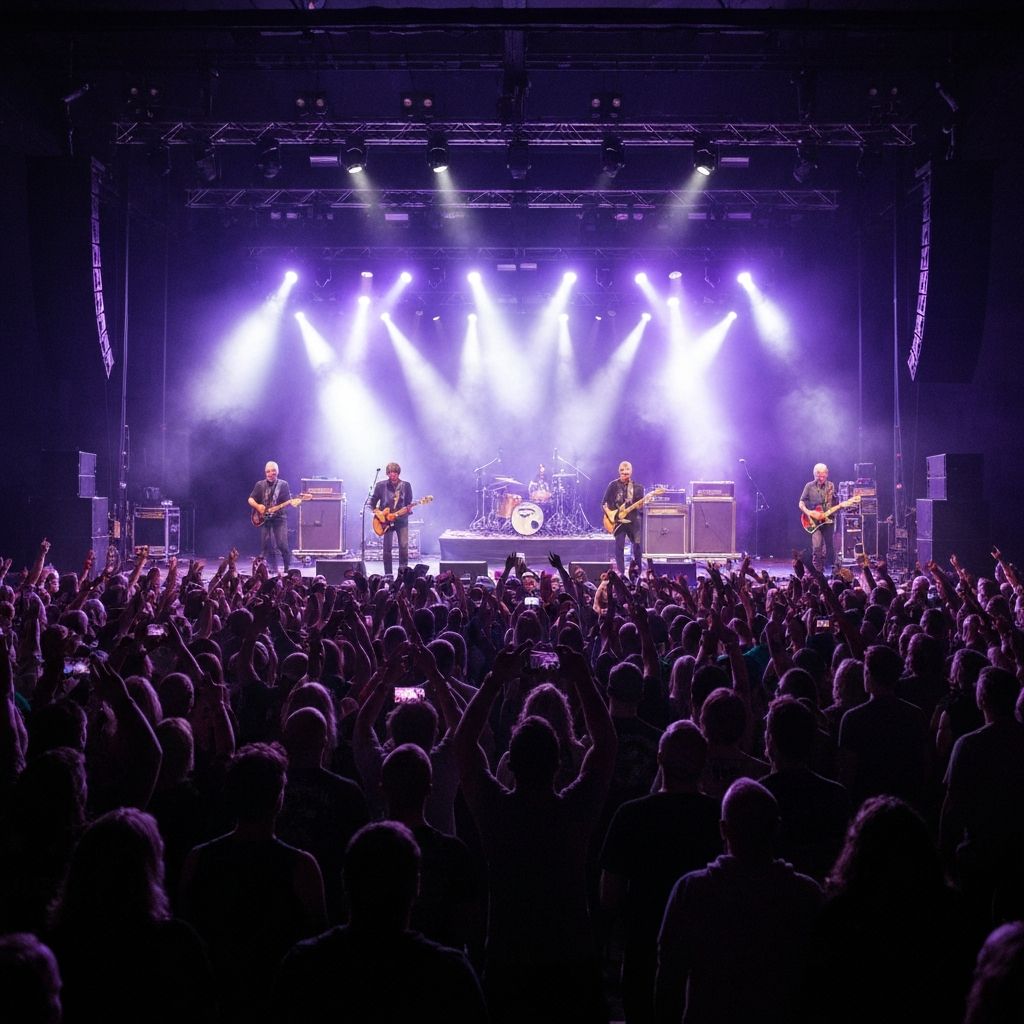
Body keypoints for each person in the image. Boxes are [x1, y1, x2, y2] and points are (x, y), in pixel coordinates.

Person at [369, 462, 413, 577]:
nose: (392, 475)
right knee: (387, 549)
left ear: (398, 473)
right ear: (387, 473)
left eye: (395, 472)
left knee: (403, 547)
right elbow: (372, 502)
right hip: (385, 522)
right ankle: (388, 575)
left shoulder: (406, 485)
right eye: (390, 473)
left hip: (401, 520)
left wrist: (407, 509)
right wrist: (378, 513)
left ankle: (403, 574)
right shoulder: (380, 485)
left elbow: (408, 502)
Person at [248, 461, 292, 573]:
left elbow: (288, 501)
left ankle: (287, 569)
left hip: (279, 518)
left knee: (282, 544)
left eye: (273, 471)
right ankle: (270, 569)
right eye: (268, 471)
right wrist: (258, 506)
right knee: (265, 546)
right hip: (265, 519)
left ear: (278, 472)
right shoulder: (260, 485)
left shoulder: (283, 485)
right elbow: (250, 499)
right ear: (265, 472)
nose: (270, 473)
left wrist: (281, 506)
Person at [798, 462, 840, 575]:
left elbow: (832, 502)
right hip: (815, 522)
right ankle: (818, 573)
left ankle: (836, 571)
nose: (821, 478)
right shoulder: (809, 486)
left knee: (830, 546)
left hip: (828, 521)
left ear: (827, 474)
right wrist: (809, 512)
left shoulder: (830, 486)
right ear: (814, 475)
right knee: (817, 546)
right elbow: (801, 503)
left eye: (823, 475)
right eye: (818, 475)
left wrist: (836, 506)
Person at [603, 460, 644, 574]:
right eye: (622, 471)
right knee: (619, 547)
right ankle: (621, 573)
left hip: (633, 521)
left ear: (631, 472)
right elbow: (604, 503)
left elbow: (640, 507)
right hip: (619, 522)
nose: (624, 473)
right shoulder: (613, 485)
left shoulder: (638, 488)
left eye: (627, 471)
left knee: (637, 547)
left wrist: (641, 505)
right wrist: (611, 515)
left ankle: (638, 572)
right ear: (618, 471)